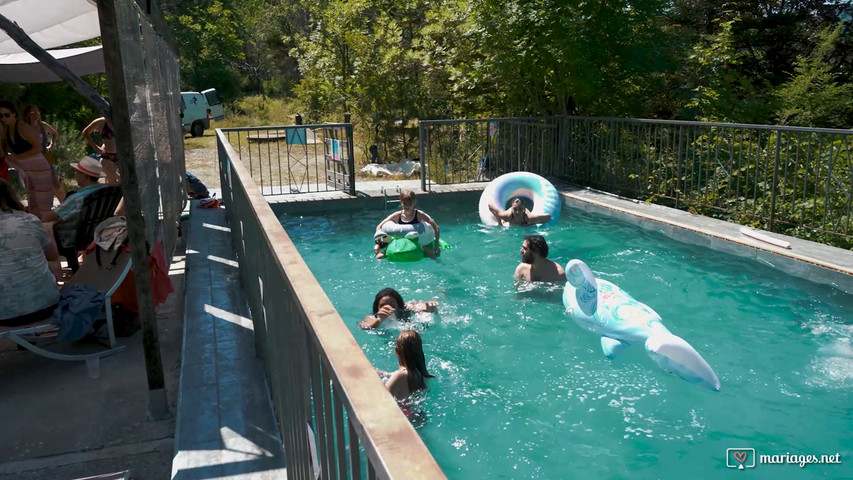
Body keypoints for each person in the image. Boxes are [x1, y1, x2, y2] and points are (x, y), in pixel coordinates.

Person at [0, 179, 61, 326]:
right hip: (47, 305)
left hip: (5, 315)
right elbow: (53, 256)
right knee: (50, 264)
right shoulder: (29, 220)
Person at [37, 156, 106, 252]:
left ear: (85, 175)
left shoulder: (77, 198)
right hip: (98, 233)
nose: (75, 174)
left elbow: (47, 218)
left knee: (42, 226)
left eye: (77, 172)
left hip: (71, 238)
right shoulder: (106, 191)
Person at [0, 100, 54, 215]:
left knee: (44, 206)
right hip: (28, 169)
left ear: (14, 113)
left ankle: (49, 230)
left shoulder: (24, 127)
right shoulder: (7, 128)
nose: (3, 118)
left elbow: (38, 147)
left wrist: (17, 157)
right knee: (33, 204)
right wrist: (6, 155)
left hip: (40, 165)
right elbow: (4, 141)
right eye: (0, 116)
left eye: (7, 115)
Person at [375, 190, 441, 259]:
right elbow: (379, 226)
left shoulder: (419, 215)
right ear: (400, 202)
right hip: (399, 242)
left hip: (417, 243)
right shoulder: (397, 215)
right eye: (405, 203)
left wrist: (436, 245)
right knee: (379, 256)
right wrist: (378, 245)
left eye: (410, 203)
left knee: (433, 256)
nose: (407, 205)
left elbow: (436, 227)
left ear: (414, 202)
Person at [22, 105, 64, 202]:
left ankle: (66, 207)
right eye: (33, 112)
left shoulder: (43, 125)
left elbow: (54, 133)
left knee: (56, 184)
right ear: (27, 114)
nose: (35, 114)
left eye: (37, 112)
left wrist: (52, 145)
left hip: (46, 155)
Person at [385, 330, 435, 400]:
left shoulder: (399, 376)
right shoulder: (423, 375)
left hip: (401, 410)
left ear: (396, 351)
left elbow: (381, 399)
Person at [358, 288, 438, 329]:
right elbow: (364, 326)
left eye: (392, 304)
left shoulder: (405, 308)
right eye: (383, 305)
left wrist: (429, 309)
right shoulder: (372, 317)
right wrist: (379, 320)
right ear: (377, 307)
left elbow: (421, 306)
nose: (388, 307)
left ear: (398, 304)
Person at [82, 116, 120, 184]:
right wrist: (95, 147)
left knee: (124, 182)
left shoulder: (124, 120)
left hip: (122, 156)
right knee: (112, 184)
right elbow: (85, 132)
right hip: (107, 156)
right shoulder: (101, 122)